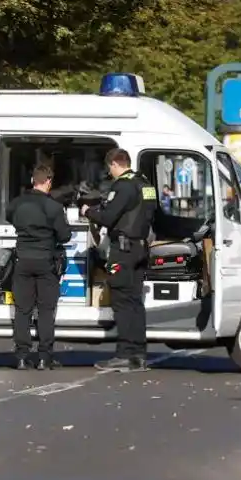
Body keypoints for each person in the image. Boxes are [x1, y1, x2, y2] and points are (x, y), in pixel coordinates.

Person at [81, 148, 155, 372]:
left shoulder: (123, 185)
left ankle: (124, 354)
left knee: (122, 302)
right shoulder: (146, 184)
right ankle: (139, 354)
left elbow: (108, 217)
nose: (109, 173)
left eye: (109, 168)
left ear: (114, 164)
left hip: (122, 252)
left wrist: (87, 211)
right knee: (135, 302)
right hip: (140, 249)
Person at [5, 165, 72, 370]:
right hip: (46, 261)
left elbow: (10, 218)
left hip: (22, 260)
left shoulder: (16, 204)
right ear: (49, 181)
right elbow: (65, 236)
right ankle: (44, 357)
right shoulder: (53, 207)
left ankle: (22, 357)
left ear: (33, 180)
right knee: (45, 310)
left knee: (22, 310)